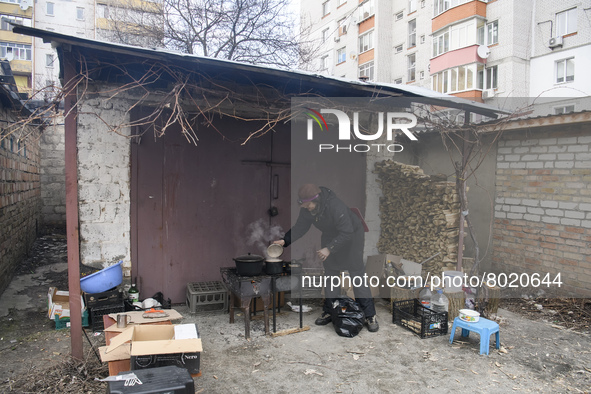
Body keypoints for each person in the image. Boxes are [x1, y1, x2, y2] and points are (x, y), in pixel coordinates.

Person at [274, 184, 379, 332]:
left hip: (351, 235)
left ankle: (370, 315)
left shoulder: (335, 206)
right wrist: (285, 240)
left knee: (357, 274)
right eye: (303, 205)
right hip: (331, 235)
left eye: (308, 204)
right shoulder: (307, 209)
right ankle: (330, 310)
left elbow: (347, 232)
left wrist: (329, 248)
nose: (306, 207)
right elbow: (300, 227)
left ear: (317, 200)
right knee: (331, 274)